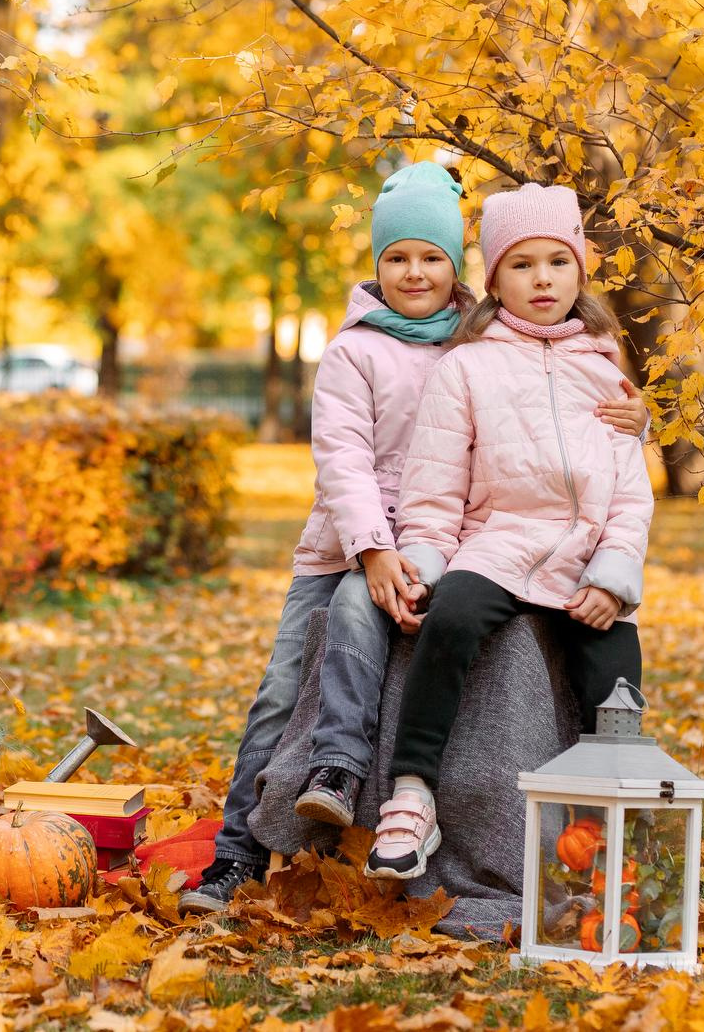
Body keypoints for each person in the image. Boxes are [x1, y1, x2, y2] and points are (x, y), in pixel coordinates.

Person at [178, 164, 645, 915]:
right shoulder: (356, 350)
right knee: (283, 689)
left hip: (454, 543)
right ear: (376, 264)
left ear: (461, 267)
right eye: (397, 257)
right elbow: (343, 458)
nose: (416, 271)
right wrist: (373, 550)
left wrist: (637, 418)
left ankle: (600, 852)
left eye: (432, 256)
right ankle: (252, 839)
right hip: (354, 548)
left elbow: (566, 406)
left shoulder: (485, 336)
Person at [365, 183, 652, 880]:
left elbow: (629, 491)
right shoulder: (466, 365)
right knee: (452, 619)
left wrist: (613, 575)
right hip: (495, 545)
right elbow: (433, 486)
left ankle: (605, 827)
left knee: (615, 676)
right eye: (522, 265)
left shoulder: (605, 367)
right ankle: (411, 793)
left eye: (558, 261)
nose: (543, 278)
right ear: (493, 279)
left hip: (582, 552)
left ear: (580, 270)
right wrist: (425, 565)